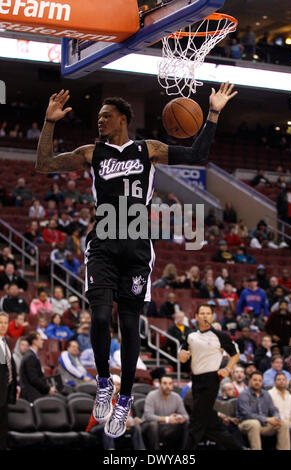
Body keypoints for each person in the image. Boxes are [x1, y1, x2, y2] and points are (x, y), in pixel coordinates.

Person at [35, 82, 237, 438]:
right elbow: (44, 164)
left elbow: (197, 154)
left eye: (106, 116)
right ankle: (102, 382)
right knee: (98, 315)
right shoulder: (91, 152)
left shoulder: (150, 150)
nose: (100, 121)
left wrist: (214, 112)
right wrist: (50, 122)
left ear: (123, 120)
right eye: (98, 116)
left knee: (130, 327)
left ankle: (124, 397)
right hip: (103, 243)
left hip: (137, 246)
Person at [179, 304, 242, 450]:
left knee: (196, 421)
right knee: (212, 424)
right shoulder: (190, 335)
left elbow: (235, 353)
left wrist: (227, 368)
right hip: (196, 381)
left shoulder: (220, 336)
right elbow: (183, 356)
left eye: (208, 313)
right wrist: (182, 356)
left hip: (210, 380)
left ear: (212, 317)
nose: (205, 316)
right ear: (196, 317)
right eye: (202, 313)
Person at [86, 374, 145, 450]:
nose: (116, 387)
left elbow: (128, 418)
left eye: (118, 385)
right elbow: (102, 420)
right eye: (114, 384)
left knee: (135, 427)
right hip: (96, 427)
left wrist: (133, 421)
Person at [236, 371, 290, 450]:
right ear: (250, 380)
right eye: (255, 380)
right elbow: (247, 414)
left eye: (260, 380)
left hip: (264, 425)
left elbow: (273, 409)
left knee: (283, 423)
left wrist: (276, 418)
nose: (257, 382)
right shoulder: (244, 394)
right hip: (245, 424)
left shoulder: (266, 394)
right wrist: (267, 419)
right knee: (255, 423)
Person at [141, 374, 189, 450]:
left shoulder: (176, 397)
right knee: (153, 425)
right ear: (159, 385)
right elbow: (148, 416)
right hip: (151, 426)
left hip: (168, 427)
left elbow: (186, 416)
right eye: (165, 383)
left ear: (173, 386)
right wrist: (167, 419)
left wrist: (180, 418)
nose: (167, 386)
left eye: (170, 384)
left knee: (187, 424)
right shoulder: (151, 396)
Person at [20, 332, 56, 403]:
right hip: (31, 394)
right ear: (34, 341)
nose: (42, 341)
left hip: (34, 392)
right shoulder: (30, 357)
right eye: (40, 339)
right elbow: (34, 379)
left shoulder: (32, 355)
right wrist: (48, 389)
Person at [268, 372, 291, 450]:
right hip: (278, 424)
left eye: (283, 379)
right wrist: (289, 423)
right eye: (279, 379)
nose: (281, 381)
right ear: (274, 382)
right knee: (289, 428)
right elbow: (270, 413)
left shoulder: (289, 396)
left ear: (286, 382)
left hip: (290, 423)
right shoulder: (269, 394)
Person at [0, 312, 17, 450]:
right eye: (0, 322)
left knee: (3, 425)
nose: (3, 325)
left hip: (5, 391)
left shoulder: (4, 342)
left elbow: (9, 368)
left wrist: (14, 387)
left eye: (5, 322)